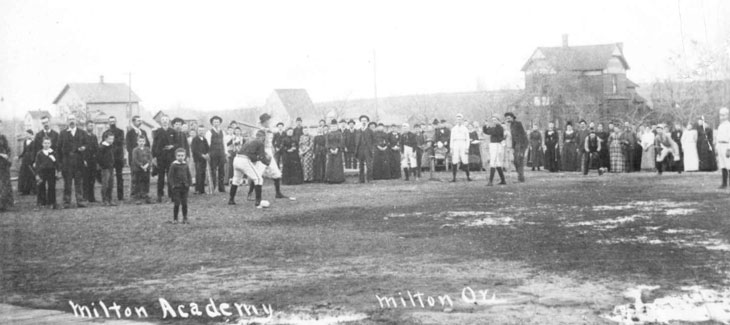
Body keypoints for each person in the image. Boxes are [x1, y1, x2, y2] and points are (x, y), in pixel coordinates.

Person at [251, 113, 293, 200]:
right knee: (257, 174)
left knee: (276, 173)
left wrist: (268, 130)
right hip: (262, 152)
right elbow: (258, 143)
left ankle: (278, 193)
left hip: (269, 152)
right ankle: (251, 194)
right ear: (264, 122)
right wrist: (263, 133)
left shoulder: (269, 129)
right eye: (267, 121)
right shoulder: (259, 131)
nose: (269, 122)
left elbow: (275, 133)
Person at [229, 130, 269, 207]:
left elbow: (252, 155)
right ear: (263, 137)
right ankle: (258, 201)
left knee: (236, 180)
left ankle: (231, 199)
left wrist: (257, 158)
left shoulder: (249, 140)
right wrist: (267, 163)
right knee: (258, 179)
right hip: (244, 160)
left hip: (236, 159)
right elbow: (261, 157)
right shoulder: (260, 142)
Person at [58, 115, 88, 208]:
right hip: (67, 162)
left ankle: (80, 201)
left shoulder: (82, 132)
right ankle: (67, 202)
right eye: (70, 119)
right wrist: (60, 163)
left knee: (79, 183)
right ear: (67, 121)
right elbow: (58, 149)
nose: (72, 121)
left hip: (78, 161)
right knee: (67, 183)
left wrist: (84, 147)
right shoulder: (63, 133)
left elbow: (87, 144)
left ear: (76, 121)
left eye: (73, 119)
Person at [152, 116, 177, 202]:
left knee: (170, 176)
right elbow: (154, 145)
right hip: (161, 157)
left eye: (166, 120)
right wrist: (154, 157)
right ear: (160, 122)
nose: (165, 121)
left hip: (170, 157)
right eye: (163, 120)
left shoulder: (173, 131)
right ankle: (160, 195)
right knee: (161, 177)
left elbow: (177, 143)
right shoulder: (157, 132)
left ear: (169, 121)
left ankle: (172, 194)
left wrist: (172, 146)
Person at [101, 116, 125, 201]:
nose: (112, 123)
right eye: (110, 121)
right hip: (108, 159)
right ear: (108, 123)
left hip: (118, 157)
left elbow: (120, 143)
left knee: (119, 177)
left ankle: (120, 196)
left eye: (113, 121)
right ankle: (108, 197)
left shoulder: (121, 132)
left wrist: (112, 146)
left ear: (116, 121)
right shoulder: (105, 133)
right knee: (108, 178)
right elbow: (103, 144)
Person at [126, 115, 150, 198]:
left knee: (144, 177)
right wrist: (136, 157)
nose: (140, 122)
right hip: (135, 159)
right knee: (135, 177)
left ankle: (143, 193)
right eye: (138, 120)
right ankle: (134, 194)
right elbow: (128, 147)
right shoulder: (130, 133)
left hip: (144, 159)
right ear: (133, 122)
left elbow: (148, 145)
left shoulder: (143, 132)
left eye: (140, 120)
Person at [168, 148, 192, 224]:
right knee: (177, 203)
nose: (180, 157)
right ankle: (175, 218)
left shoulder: (185, 165)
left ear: (184, 156)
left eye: (182, 155)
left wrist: (189, 184)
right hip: (176, 188)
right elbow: (170, 177)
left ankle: (185, 218)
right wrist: (173, 185)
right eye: (179, 156)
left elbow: (189, 175)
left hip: (185, 187)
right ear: (176, 156)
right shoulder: (174, 165)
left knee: (184, 203)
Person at [34, 137, 58, 209]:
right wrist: (37, 174)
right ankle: (41, 202)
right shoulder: (39, 153)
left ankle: (52, 202)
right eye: (45, 143)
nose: (46, 145)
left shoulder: (53, 152)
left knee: (51, 187)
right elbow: (37, 164)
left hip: (51, 171)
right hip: (42, 172)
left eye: (48, 143)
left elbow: (57, 163)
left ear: (50, 144)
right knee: (41, 187)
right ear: (42, 144)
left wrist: (54, 160)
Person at [205, 116, 227, 193]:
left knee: (222, 171)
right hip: (213, 154)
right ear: (212, 123)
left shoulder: (223, 132)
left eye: (217, 122)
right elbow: (207, 144)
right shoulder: (209, 132)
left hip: (221, 153)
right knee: (213, 170)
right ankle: (213, 187)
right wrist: (208, 153)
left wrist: (226, 153)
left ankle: (221, 188)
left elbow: (224, 143)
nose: (216, 123)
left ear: (220, 123)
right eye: (214, 122)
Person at [483, 116, 506, 185]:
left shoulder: (500, 127)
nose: (494, 121)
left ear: (499, 120)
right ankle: (503, 180)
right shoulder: (494, 127)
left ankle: (490, 181)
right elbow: (486, 131)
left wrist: (488, 126)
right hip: (493, 145)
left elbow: (491, 132)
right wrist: (485, 125)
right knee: (497, 163)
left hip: (497, 145)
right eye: (493, 120)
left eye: (495, 120)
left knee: (493, 162)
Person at [505, 112, 528, 182]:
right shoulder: (511, 125)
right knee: (515, 161)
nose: (507, 120)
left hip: (521, 144)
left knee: (519, 161)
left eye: (508, 118)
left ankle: (521, 178)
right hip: (516, 145)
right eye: (506, 118)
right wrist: (513, 147)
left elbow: (523, 135)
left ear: (512, 117)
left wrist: (522, 148)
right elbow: (513, 138)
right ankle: (520, 176)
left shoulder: (518, 123)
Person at [450, 114, 471, 182]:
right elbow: (451, 139)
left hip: (463, 143)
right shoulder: (453, 129)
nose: (458, 121)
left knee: (465, 160)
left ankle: (468, 176)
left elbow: (467, 139)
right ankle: (454, 177)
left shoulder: (465, 129)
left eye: (460, 119)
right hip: (455, 143)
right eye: (457, 119)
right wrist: (451, 148)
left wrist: (467, 147)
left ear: (462, 120)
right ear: (456, 120)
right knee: (455, 160)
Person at [131, 135, 152, 204]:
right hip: (138, 169)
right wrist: (141, 166)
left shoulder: (147, 149)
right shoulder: (135, 150)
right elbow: (135, 159)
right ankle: (137, 197)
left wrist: (147, 165)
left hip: (146, 168)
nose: (141, 143)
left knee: (146, 181)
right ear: (137, 142)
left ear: (145, 142)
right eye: (140, 141)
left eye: (143, 141)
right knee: (138, 182)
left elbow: (150, 158)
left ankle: (145, 194)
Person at [355, 116, 375, 183]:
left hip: (367, 150)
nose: (363, 122)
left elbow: (374, 141)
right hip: (360, 150)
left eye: (365, 120)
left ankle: (369, 179)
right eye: (362, 120)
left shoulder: (370, 131)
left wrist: (371, 149)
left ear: (367, 122)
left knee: (369, 165)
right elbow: (356, 141)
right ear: (360, 122)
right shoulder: (358, 131)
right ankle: (361, 180)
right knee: (361, 165)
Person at [98, 132, 116, 206]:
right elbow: (99, 158)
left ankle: (110, 199)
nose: (111, 140)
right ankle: (104, 200)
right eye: (110, 139)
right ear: (105, 138)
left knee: (111, 184)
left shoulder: (111, 146)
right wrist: (103, 165)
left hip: (111, 167)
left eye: (112, 139)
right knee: (105, 184)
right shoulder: (102, 147)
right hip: (105, 168)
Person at [82, 120, 99, 203]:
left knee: (92, 180)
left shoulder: (94, 137)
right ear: (86, 126)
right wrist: (83, 160)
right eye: (89, 126)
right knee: (85, 180)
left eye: (92, 126)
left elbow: (96, 148)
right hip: (86, 161)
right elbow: (82, 149)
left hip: (93, 160)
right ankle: (85, 197)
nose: (91, 127)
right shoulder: (83, 136)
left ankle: (92, 197)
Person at [325, 119, 345, 184]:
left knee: (337, 165)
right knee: (330, 164)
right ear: (330, 127)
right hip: (330, 151)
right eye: (332, 126)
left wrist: (337, 148)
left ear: (337, 126)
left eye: (335, 126)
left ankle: (338, 179)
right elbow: (327, 143)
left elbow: (341, 142)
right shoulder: (328, 134)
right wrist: (330, 149)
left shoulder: (339, 134)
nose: (333, 127)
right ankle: (330, 179)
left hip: (338, 151)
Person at [191, 125, 210, 194]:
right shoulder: (195, 139)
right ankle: (197, 189)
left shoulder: (204, 139)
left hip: (204, 159)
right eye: (199, 130)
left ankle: (202, 190)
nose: (201, 132)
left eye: (202, 130)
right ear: (197, 131)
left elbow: (208, 148)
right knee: (198, 174)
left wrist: (207, 154)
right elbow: (194, 150)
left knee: (203, 174)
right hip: (198, 159)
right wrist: (202, 155)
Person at [18, 130, 36, 195]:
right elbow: (24, 151)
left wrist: (34, 161)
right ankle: (25, 190)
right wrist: (19, 157)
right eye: (26, 134)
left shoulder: (34, 142)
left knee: (31, 175)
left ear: (31, 134)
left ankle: (33, 190)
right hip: (25, 160)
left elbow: (35, 152)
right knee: (24, 175)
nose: (27, 135)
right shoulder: (25, 141)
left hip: (31, 160)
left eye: (28, 134)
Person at [0, 120, 13, 211]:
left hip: (4, 164)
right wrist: (1, 154)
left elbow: (8, 149)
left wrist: (8, 155)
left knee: (6, 183)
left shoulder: (3, 137)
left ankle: (5, 204)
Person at [716, 107, 730, 188]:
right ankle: (724, 183)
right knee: (722, 165)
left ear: (727, 115)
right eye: (721, 115)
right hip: (720, 145)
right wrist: (717, 147)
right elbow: (718, 137)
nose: (722, 117)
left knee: (729, 164)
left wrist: (729, 148)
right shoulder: (720, 126)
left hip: (726, 145)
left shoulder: (729, 125)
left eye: (724, 115)